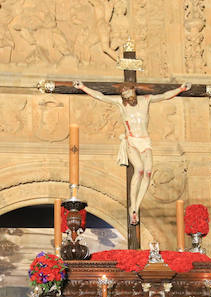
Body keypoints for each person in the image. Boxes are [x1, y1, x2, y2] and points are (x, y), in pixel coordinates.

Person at [73, 80, 189, 224]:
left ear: (133, 91)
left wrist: (180, 89)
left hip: (145, 141)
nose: (128, 98)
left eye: (129, 94)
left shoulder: (146, 100)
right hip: (132, 140)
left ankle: (136, 206)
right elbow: (101, 96)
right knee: (139, 170)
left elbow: (164, 96)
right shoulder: (121, 103)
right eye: (125, 96)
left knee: (148, 172)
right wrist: (83, 87)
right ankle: (132, 206)